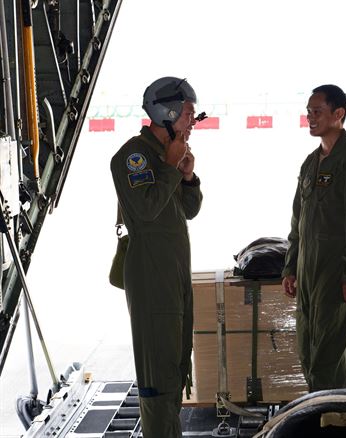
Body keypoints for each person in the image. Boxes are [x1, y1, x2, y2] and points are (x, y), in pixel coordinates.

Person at [110, 76, 202, 437]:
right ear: (167, 111)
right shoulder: (134, 157)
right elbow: (146, 209)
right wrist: (169, 165)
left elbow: (189, 210)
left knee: (175, 366)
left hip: (174, 275)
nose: (193, 121)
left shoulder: (169, 156)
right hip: (152, 279)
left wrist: (188, 176)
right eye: (189, 113)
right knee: (158, 379)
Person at [281, 84, 346, 392]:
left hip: (336, 274)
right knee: (309, 352)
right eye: (308, 112)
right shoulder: (311, 163)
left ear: (339, 114)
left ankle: (337, 418)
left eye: (317, 112)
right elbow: (299, 221)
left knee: (330, 355)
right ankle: (325, 414)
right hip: (309, 273)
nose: (310, 117)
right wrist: (290, 266)